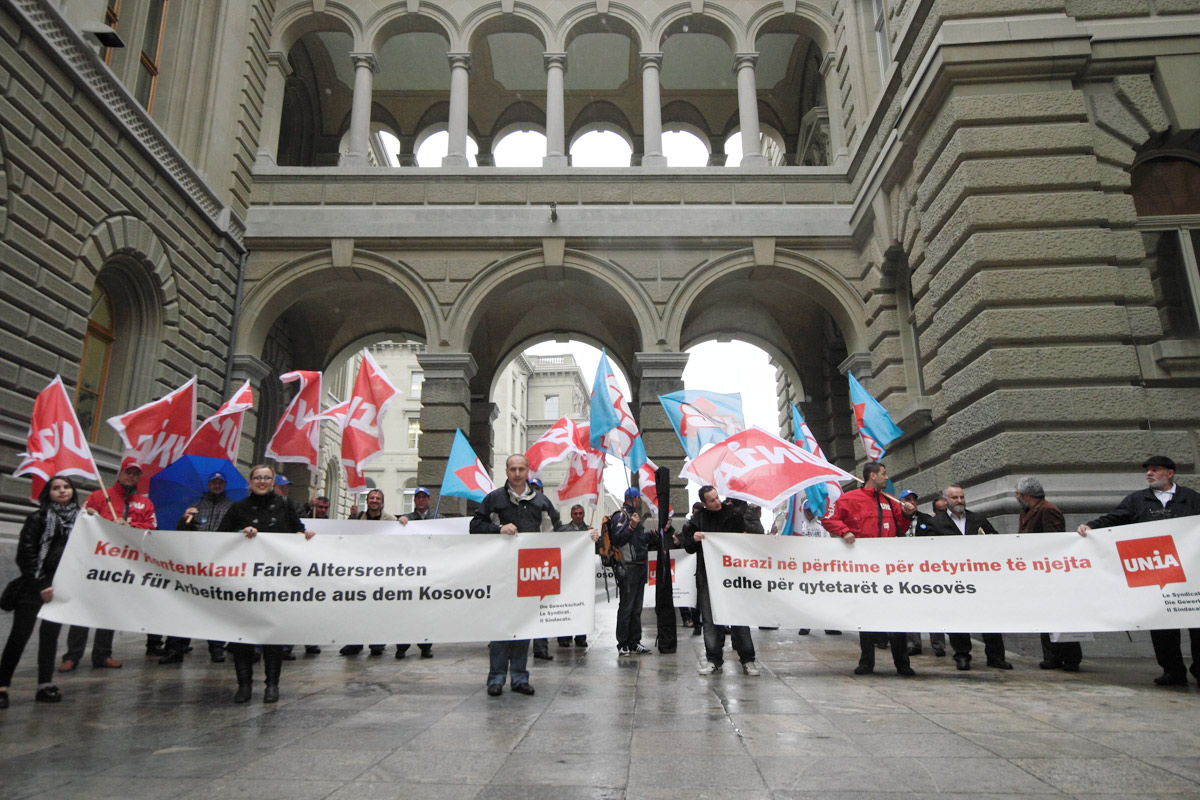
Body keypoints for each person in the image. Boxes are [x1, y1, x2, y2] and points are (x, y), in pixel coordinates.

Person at [1078, 455, 1200, 686]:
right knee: (1162, 626)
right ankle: (1172, 671)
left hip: (1192, 575)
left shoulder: (1191, 499)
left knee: (1197, 624)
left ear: (1170, 473)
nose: (1149, 474)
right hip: (1157, 574)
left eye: (1155, 470)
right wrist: (1091, 526)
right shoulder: (1138, 500)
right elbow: (1115, 518)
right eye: (1148, 470)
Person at [219, 464, 312, 703]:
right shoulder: (238, 508)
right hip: (244, 582)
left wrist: (306, 537)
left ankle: (272, 684)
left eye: (267, 478)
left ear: (273, 482)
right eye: (257, 478)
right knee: (243, 636)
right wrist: (240, 531)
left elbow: (298, 533)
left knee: (273, 635)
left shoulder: (286, 506)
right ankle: (244, 685)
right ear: (250, 482)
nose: (262, 481)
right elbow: (220, 538)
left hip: (274, 583)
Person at [470, 454, 561, 697]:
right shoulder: (494, 499)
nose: (517, 473)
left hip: (530, 573)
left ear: (528, 471)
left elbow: (558, 531)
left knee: (523, 626)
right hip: (501, 572)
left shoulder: (541, 501)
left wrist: (586, 537)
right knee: (501, 626)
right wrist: (498, 529)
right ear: (507, 471)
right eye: (513, 469)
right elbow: (474, 525)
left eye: (521, 469)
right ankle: (496, 678)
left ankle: (520, 677)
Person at [60, 458, 156, 671]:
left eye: (135, 473)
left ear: (139, 477)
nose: (131, 476)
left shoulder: (145, 503)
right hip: (94, 562)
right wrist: (95, 517)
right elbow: (82, 521)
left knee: (109, 609)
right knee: (82, 609)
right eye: (127, 472)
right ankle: (72, 656)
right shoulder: (98, 496)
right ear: (119, 474)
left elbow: (152, 527)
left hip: (121, 565)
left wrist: (130, 524)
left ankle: (103, 655)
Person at [824, 461, 917, 676]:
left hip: (889, 567)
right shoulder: (849, 499)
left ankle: (902, 664)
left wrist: (906, 514)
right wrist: (845, 531)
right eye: (883, 474)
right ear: (872, 476)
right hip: (863, 568)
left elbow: (900, 527)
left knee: (895, 616)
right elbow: (829, 519)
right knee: (865, 616)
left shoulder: (890, 500)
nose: (887, 477)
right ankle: (866, 662)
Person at [1, 476, 80, 708]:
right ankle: (2, 686)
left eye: (66, 487)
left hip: (60, 588)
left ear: (73, 492)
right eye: (56, 488)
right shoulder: (38, 518)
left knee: (50, 638)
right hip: (34, 588)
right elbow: (26, 554)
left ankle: (45, 684)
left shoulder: (82, 522)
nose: (62, 491)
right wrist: (42, 583)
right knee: (19, 637)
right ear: (49, 493)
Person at [680, 486, 763, 676]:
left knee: (739, 617)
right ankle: (713, 660)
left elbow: (755, 534)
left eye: (717, 498)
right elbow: (688, 546)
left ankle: (748, 660)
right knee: (709, 619)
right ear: (704, 503)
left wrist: (745, 536)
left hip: (733, 576)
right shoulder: (698, 519)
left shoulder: (734, 514)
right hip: (708, 575)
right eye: (711, 500)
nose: (717, 502)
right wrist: (693, 538)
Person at [929, 484, 1009, 670]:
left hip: (979, 579)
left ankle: (996, 657)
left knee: (989, 616)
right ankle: (962, 656)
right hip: (953, 580)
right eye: (955, 498)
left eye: (962, 497)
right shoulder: (936, 523)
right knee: (957, 618)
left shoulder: (978, 519)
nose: (959, 501)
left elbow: (995, 540)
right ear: (946, 501)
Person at [160, 472, 233, 665]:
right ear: (208, 485)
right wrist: (185, 519)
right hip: (194, 564)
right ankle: (176, 647)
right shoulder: (196, 507)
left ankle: (216, 648)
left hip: (219, 564)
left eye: (220, 482)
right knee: (186, 606)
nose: (217, 485)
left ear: (224, 485)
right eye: (213, 482)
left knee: (215, 608)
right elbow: (181, 533)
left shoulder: (232, 507)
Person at [1013, 477, 1080, 672]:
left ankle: (1070, 658)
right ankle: (1050, 656)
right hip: (1035, 571)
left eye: (1017, 494)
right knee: (1044, 615)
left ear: (1026, 495)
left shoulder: (1048, 510)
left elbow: (1055, 541)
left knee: (1060, 616)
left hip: (1050, 570)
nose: (1016, 497)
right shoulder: (1026, 511)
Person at [341, 489, 398, 657]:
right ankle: (354, 642)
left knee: (378, 608)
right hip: (359, 570)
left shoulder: (391, 520)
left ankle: (377, 642)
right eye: (372, 497)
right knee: (356, 608)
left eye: (378, 498)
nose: (374, 500)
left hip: (381, 571)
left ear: (382, 502)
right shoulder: (357, 518)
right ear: (367, 500)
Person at [610, 488, 655, 656]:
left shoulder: (634, 516)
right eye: (639, 499)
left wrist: (654, 534)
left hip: (640, 566)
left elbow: (639, 540)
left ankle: (635, 641)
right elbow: (618, 538)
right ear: (635, 499)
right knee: (627, 607)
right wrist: (631, 526)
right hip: (628, 567)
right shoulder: (621, 516)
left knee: (637, 608)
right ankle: (622, 643)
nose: (640, 501)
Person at [901, 489, 945, 657]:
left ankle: (938, 644)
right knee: (910, 607)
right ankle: (913, 643)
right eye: (907, 499)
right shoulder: (896, 521)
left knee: (933, 606)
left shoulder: (927, 520)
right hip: (904, 571)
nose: (911, 502)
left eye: (914, 499)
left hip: (926, 570)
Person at [397, 487, 438, 659]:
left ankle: (425, 646)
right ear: (414, 501)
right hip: (411, 571)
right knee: (406, 612)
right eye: (418, 497)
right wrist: (400, 523)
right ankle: (402, 646)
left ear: (429, 500)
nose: (421, 500)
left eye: (424, 497)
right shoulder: (407, 519)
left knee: (426, 612)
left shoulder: (438, 519)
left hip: (430, 571)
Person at [795, 501, 842, 638]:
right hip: (804, 568)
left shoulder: (822, 526)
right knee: (806, 597)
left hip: (820, 567)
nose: (809, 512)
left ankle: (828, 625)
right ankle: (805, 624)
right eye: (807, 510)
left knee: (824, 596)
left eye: (811, 510)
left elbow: (828, 545)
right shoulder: (799, 526)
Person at [557, 504, 594, 648]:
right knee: (566, 605)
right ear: (571, 515)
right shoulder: (563, 530)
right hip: (567, 574)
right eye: (575, 514)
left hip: (583, 574)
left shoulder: (589, 530)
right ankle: (564, 637)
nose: (578, 516)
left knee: (581, 606)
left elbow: (599, 548)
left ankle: (580, 636)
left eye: (580, 513)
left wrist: (594, 538)